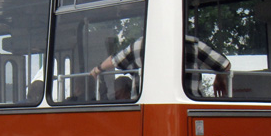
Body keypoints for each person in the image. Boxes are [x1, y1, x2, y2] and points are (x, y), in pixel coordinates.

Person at [90, 35, 232, 98]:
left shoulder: (140, 45)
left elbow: (114, 60)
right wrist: (219, 79)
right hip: (190, 109)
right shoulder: (192, 45)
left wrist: (98, 69)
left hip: (146, 110)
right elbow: (225, 65)